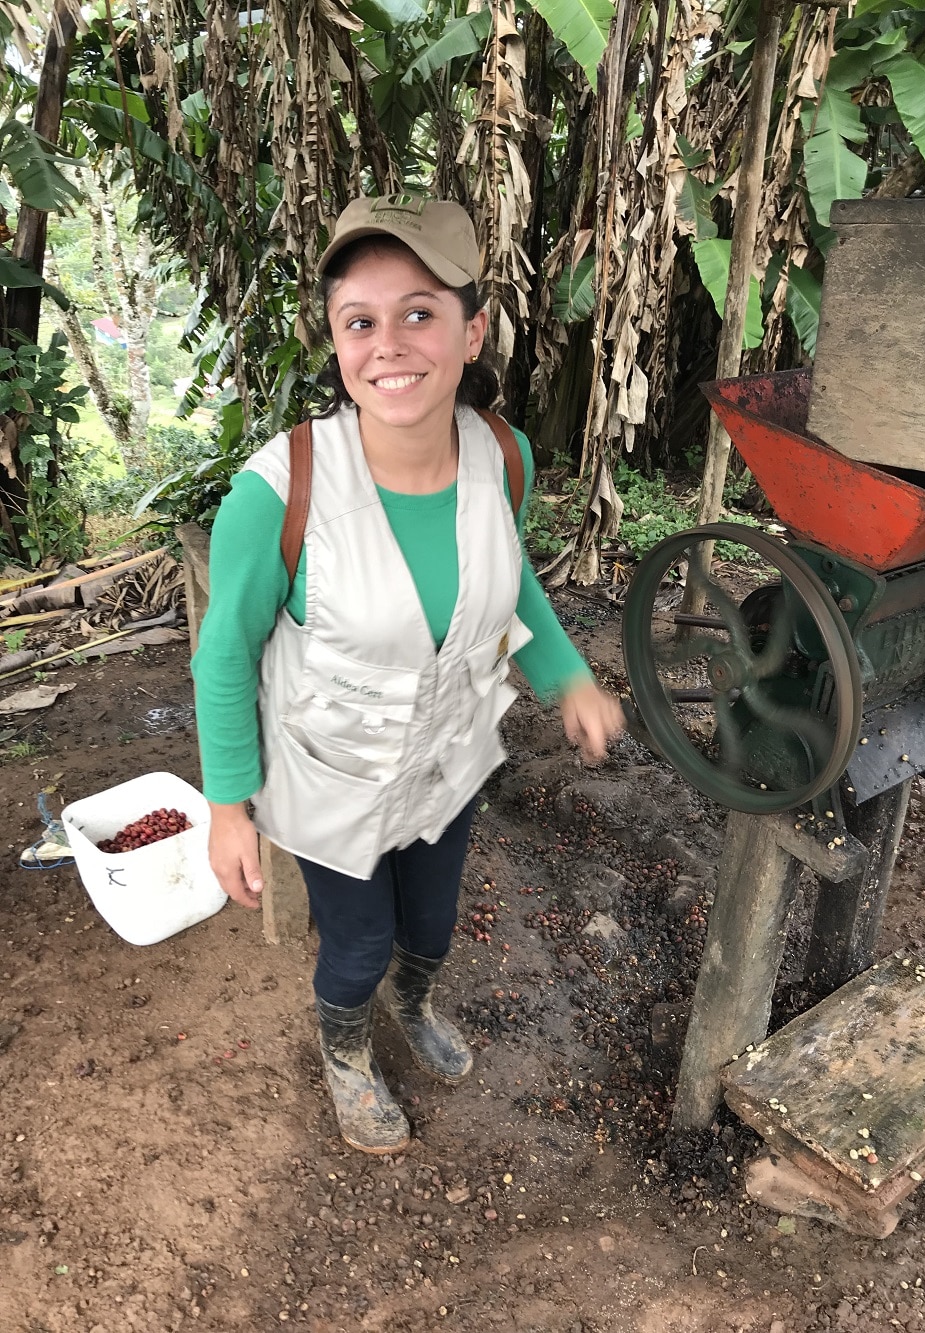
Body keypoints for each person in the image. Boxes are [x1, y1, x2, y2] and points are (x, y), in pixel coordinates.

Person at [192, 193, 624, 1155]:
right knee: (353, 943)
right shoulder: (282, 492)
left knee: (429, 923)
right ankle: (346, 1049)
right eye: (362, 322)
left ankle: (415, 999)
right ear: (339, 344)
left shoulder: (501, 457)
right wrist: (229, 806)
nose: (389, 345)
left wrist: (568, 676)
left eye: (419, 313)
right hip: (332, 775)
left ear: (473, 331)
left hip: (447, 757)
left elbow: (511, 592)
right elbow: (223, 652)